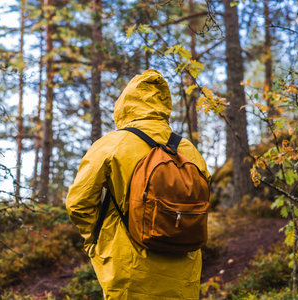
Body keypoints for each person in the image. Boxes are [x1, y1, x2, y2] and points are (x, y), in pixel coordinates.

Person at [65, 69, 211, 299]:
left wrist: (95, 241)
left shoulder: (111, 144)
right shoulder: (188, 150)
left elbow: (78, 203)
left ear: (125, 104)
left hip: (128, 268)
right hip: (184, 272)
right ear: (164, 105)